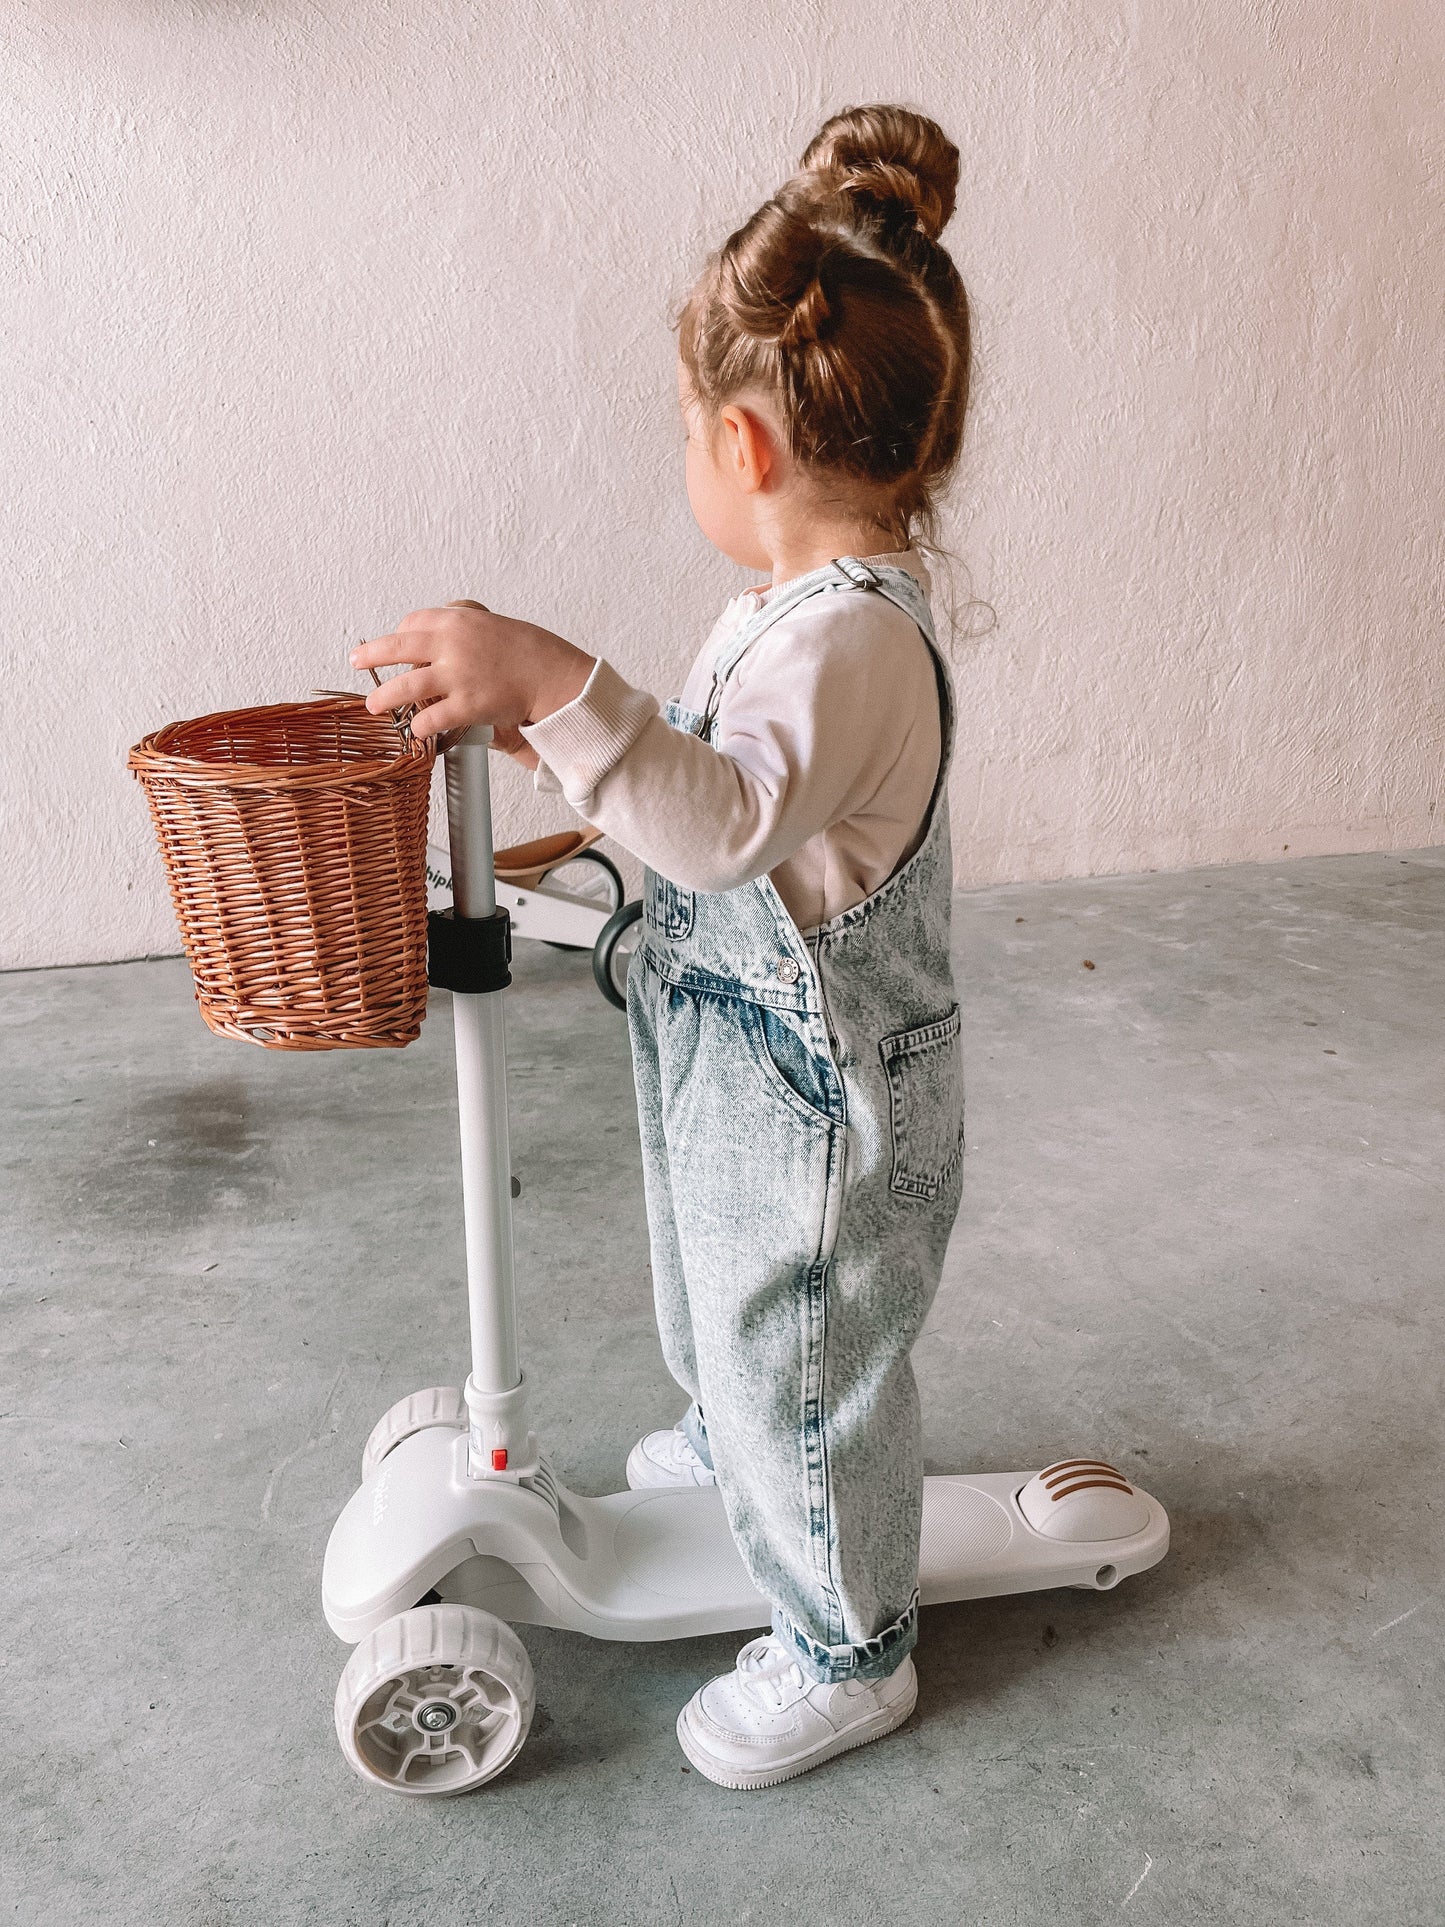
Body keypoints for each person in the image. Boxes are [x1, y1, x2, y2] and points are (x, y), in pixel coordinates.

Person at [353, 102, 972, 1789]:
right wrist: (547, 776)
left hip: (826, 1097)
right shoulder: (787, 613)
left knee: (807, 1346)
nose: (687, 452)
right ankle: (731, 1446)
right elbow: (684, 811)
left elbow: (720, 824)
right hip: (733, 1066)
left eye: (689, 426)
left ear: (746, 447)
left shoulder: (851, 643)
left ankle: (851, 1648)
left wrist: (554, 681)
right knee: (718, 1306)